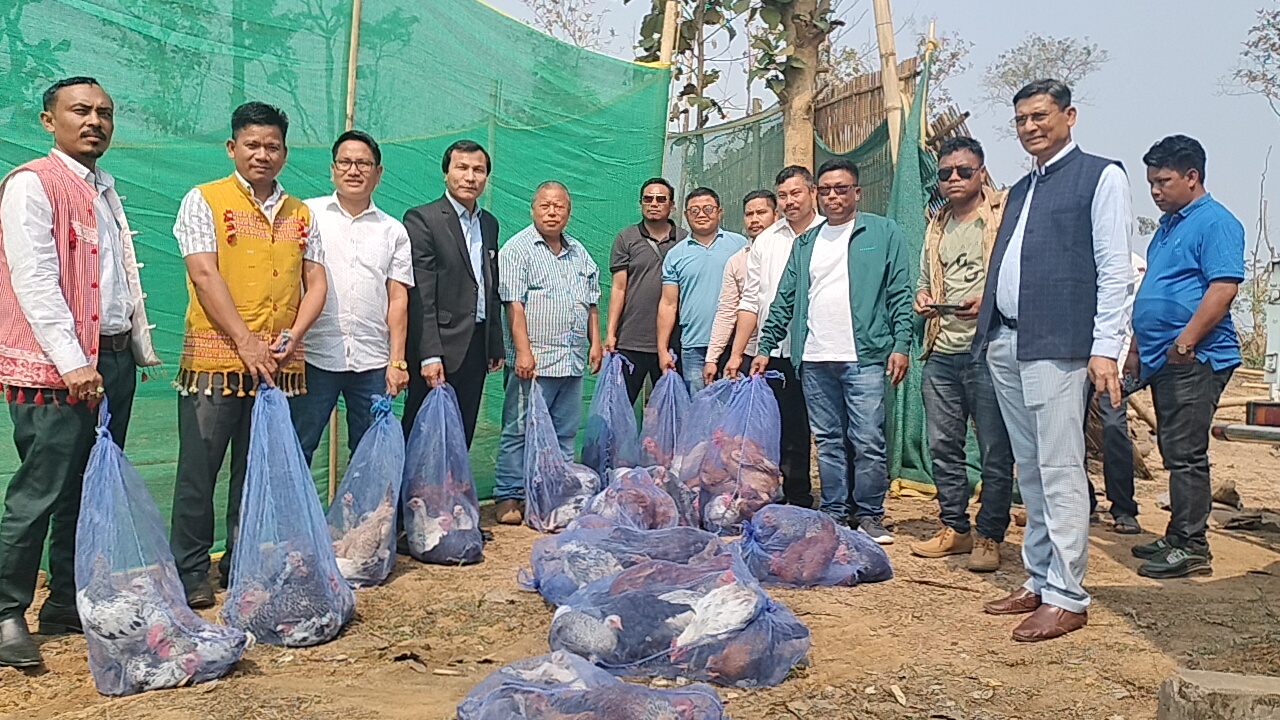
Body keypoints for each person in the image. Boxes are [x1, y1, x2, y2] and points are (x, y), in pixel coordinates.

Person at [0, 77, 160, 668]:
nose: (94, 121)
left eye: (105, 113)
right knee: (39, 490)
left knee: (86, 490)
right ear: (49, 121)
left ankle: (67, 603)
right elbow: (34, 279)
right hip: (56, 370)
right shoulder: (31, 185)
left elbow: (115, 281)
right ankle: (5, 611)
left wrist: (129, 351)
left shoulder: (103, 188)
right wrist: (73, 362)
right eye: (80, 111)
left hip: (112, 360)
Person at [972, 80, 1133, 642]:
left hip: (1060, 345)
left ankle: (1068, 595)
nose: (1030, 127)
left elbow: (1114, 270)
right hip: (1007, 340)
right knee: (1031, 469)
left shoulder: (1101, 176)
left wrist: (1106, 348)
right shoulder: (1021, 188)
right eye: (1020, 120)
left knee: (1061, 469)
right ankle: (1040, 580)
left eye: (1040, 116)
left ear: (1070, 116)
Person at [169, 102, 328, 609]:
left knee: (256, 469)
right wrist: (245, 340)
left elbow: (317, 281)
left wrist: (294, 334)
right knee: (201, 470)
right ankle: (190, 568)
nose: (262, 154)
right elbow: (204, 274)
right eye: (252, 145)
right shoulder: (204, 200)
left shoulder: (301, 213)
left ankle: (239, 561)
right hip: (216, 363)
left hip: (276, 366)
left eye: (272, 146)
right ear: (232, 148)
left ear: (285, 152)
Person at [752, 158, 913, 545]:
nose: (834, 196)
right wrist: (765, 345)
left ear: (857, 192)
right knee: (827, 439)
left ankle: (871, 514)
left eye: (842, 188)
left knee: (868, 439)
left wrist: (901, 344)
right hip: (814, 358)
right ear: (817, 194)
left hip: (866, 356)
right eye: (826, 189)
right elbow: (784, 299)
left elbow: (900, 293)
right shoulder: (806, 243)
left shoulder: (883, 232)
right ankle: (836, 512)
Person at [1128, 135, 1244, 579]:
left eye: (1163, 181)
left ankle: (1193, 546)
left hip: (1197, 358)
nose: (1155, 191)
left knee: (1186, 453)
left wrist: (1185, 343)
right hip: (1163, 358)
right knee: (1172, 447)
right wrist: (1139, 350)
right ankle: (1177, 534)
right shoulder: (1167, 227)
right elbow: (1152, 292)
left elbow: (1223, 288)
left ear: (1192, 177)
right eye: (1151, 182)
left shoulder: (1216, 222)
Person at [908, 136, 1016, 573]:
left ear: (982, 173)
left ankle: (990, 535)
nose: (953, 179)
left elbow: (1017, 273)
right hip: (942, 349)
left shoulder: (1002, 216)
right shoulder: (937, 224)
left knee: (994, 448)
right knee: (943, 446)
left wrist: (986, 299)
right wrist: (923, 296)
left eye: (963, 172)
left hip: (989, 348)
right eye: (946, 173)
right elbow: (922, 277)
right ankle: (955, 527)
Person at [289, 131, 413, 466]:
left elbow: (398, 299)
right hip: (313, 356)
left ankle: (363, 519)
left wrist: (397, 360)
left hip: (373, 360)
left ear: (378, 173)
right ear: (332, 169)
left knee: (371, 453)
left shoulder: (394, 231)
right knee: (298, 447)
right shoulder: (306, 215)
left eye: (363, 163)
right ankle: (296, 519)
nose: (354, 170)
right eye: (345, 162)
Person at [492, 182, 602, 525]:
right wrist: (523, 352)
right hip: (534, 362)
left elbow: (591, 302)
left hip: (571, 359)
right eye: (545, 206)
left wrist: (594, 343)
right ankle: (509, 495)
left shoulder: (579, 252)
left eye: (559, 207)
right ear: (533, 209)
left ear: (568, 211)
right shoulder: (518, 249)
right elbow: (515, 305)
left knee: (564, 431)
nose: (552, 212)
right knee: (519, 429)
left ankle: (556, 493)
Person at [727, 165, 826, 509]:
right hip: (776, 351)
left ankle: (845, 500)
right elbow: (751, 300)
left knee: (831, 428)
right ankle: (797, 495)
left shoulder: (830, 233)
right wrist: (738, 352)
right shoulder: (767, 241)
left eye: (796, 193)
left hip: (822, 348)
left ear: (813, 193)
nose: (789, 201)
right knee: (789, 428)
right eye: (782, 195)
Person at [402, 140, 503, 446]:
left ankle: (450, 493)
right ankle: (409, 495)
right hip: (439, 345)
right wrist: (429, 354)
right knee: (422, 431)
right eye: (461, 168)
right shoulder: (423, 219)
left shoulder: (489, 224)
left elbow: (489, 284)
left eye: (478, 170)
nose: (470, 177)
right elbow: (422, 296)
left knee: (462, 431)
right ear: (446, 173)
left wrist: (494, 342)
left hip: (477, 343)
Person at [605, 178, 689, 405]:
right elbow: (619, 288)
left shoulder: (685, 241)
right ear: (641, 203)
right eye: (648, 199)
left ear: (671, 205)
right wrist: (611, 333)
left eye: (661, 199)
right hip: (631, 340)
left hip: (674, 342)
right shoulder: (626, 238)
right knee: (618, 409)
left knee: (670, 414)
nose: (654, 203)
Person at [657, 188, 747, 394]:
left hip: (734, 345)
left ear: (719, 211)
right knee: (698, 409)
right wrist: (662, 350)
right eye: (694, 210)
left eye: (708, 208)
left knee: (732, 413)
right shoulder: (675, 255)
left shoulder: (740, 245)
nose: (701, 214)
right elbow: (668, 304)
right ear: (686, 214)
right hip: (693, 346)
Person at [1086, 252, 1147, 535]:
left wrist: (1118, 366)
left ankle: (1123, 507)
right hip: (1076, 359)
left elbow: (1133, 319)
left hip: (1115, 363)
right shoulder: (1079, 255)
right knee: (1070, 430)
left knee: (1113, 428)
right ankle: (1082, 499)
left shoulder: (1134, 266)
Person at [703, 189, 778, 387]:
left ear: (776, 215)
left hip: (785, 352)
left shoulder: (792, 249)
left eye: (761, 213)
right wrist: (712, 358)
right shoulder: (737, 261)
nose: (754, 219)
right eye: (749, 214)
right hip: (749, 352)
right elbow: (727, 311)